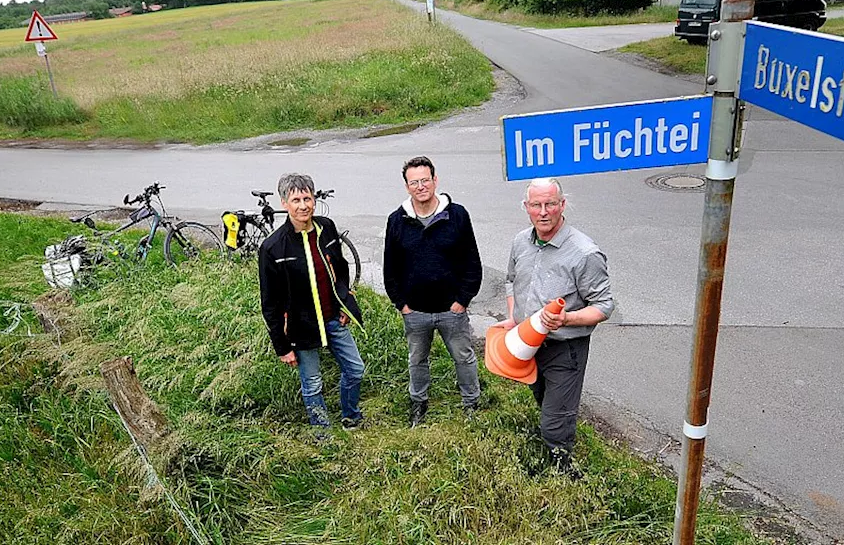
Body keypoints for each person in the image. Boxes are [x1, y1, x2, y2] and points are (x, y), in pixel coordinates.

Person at [504, 177, 613, 475]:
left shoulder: (584, 253)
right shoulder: (520, 242)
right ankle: (555, 447)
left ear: (562, 205)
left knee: (554, 421)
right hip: (529, 344)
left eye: (550, 204)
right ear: (526, 207)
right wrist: (515, 318)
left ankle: (564, 473)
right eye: (536, 205)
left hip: (565, 349)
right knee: (542, 400)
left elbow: (604, 306)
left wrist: (567, 318)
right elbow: (512, 281)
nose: (543, 212)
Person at [258, 173, 366, 431]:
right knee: (313, 383)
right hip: (301, 327)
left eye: (308, 198)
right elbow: (269, 303)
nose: (303, 205)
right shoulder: (272, 248)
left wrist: (344, 304)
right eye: (296, 200)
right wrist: (282, 346)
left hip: (332, 318)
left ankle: (350, 416)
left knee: (355, 370)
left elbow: (340, 267)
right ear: (285, 203)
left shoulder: (326, 227)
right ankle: (322, 431)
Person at [384, 156, 484, 426]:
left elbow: (472, 262)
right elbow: (390, 268)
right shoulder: (397, 220)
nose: (420, 186)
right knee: (417, 360)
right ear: (407, 187)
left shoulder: (457, 214)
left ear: (435, 180)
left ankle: (471, 403)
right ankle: (418, 403)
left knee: (463, 357)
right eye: (413, 182)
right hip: (415, 311)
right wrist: (402, 304)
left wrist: (462, 300)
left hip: (452, 309)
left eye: (425, 180)